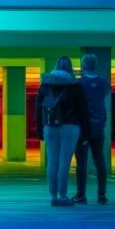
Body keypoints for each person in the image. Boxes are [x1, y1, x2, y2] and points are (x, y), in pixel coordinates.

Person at [36, 56, 91, 207]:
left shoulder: (44, 86)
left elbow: (38, 110)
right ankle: (63, 196)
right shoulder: (75, 86)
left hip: (49, 127)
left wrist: (40, 130)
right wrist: (86, 133)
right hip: (70, 127)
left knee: (52, 162)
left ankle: (53, 197)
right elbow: (83, 111)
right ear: (70, 68)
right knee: (64, 163)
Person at [72, 54, 112, 205]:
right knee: (99, 160)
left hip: (83, 128)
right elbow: (105, 94)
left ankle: (81, 195)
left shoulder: (79, 83)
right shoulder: (103, 83)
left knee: (81, 162)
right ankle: (102, 195)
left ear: (83, 66)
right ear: (95, 65)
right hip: (98, 127)